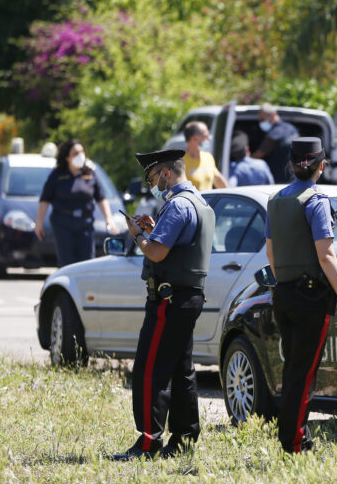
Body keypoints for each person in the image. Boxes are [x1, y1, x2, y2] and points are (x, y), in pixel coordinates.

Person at [112, 148, 216, 461]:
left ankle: (148, 443)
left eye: (153, 178)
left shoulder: (178, 204)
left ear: (166, 173)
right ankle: (183, 440)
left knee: (150, 370)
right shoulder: (199, 202)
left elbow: (157, 253)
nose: (152, 185)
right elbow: (180, 245)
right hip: (189, 296)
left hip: (169, 300)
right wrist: (153, 227)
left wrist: (137, 235)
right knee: (182, 371)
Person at [265, 137, 337, 454]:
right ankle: (294, 442)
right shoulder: (316, 201)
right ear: (321, 166)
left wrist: (285, 282)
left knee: (294, 369)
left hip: (283, 294)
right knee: (304, 374)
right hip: (310, 298)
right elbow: (326, 256)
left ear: (292, 165)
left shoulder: (275, 201)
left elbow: (271, 253)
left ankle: (291, 437)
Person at [35, 139, 119, 267]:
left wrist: (109, 219)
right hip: (63, 222)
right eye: (75, 153)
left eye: (81, 152)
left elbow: (101, 198)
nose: (80, 156)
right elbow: (45, 200)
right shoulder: (57, 175)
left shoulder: (89, 173)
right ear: (67, 158)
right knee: (66, 261)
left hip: (85, 222)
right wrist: (39, 222)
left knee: (87, 261)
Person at [252, 102, 299, 184]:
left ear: (273, 115)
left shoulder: (274, 133)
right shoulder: (292, 129)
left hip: (278, 180)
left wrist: (245, 158)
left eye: (262, 120)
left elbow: (259, 154)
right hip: (294, 177)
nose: (260, 123)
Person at [182, 121, 227, 191]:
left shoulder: (208, 157)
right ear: (194, 139)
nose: (209, 139)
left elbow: (218, 180)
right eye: (206, 136)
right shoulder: (181, 163)